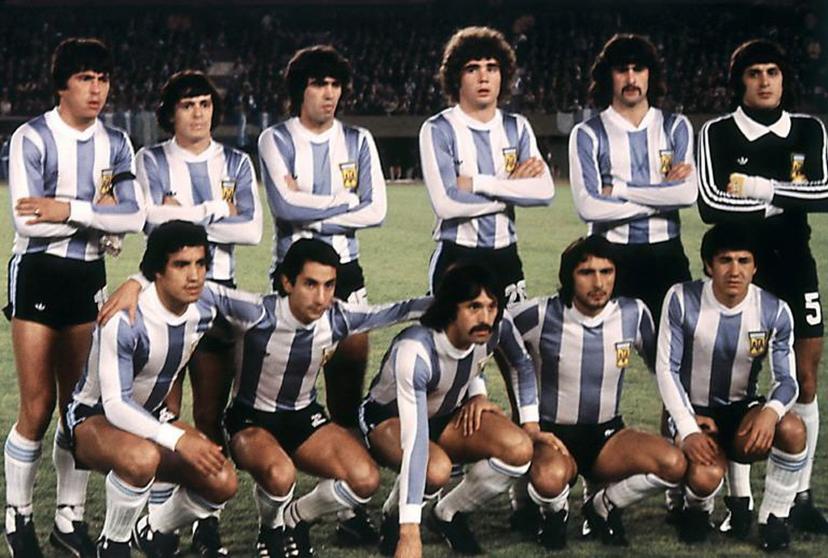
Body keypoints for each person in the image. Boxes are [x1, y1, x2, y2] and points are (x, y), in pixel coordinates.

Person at [4, 37, 144, 557]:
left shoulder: (117, 144)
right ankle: (17, 519)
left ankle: (68, 520)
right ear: (62, 84)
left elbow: (133, 217)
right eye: (86, 78)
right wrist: (97, 215)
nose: (97, 89)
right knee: (37, 407)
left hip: (89, 278)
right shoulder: (31, 137)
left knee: (77, 410)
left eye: (103, 79)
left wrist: (69, 211)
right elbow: (25, 221)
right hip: (38, 275)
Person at [64, 221, 265, 557]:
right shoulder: (125, 319)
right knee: (142, 458)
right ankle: (113, 543)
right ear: (157, 270)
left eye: (201, 264)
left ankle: (153, 527)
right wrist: (177, 438)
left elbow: (267, 309)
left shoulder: (206, 303)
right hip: (94, 417)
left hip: (152, 415)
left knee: (222, 481)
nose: (195, 276)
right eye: (181, 265)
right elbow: (114, 404)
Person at [223, 238, 430, 557]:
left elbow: (396, 311)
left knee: (365, 479)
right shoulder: (255, 312)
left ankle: (294, 517)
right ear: (287, 282)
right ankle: (271, 530)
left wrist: (452, 300)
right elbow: (203, 295)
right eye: (310, 284)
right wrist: (135, 287)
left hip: (303, 417)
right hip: (251, 420)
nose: (321, 297)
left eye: (329, 285)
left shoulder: (337, 317)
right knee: (280, 475)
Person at [697, 39, 828, 536]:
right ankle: (741, 499)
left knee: (805, 379)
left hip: (796, 268)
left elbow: (827, 192)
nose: (766, 80)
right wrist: (788, 200)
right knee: (736, 384)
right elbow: (710, 203)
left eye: (773, 71)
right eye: (755, 73)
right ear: (740, 82)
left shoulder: (809, 130)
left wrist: (762, 190)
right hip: (740, 269)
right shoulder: (719, 132)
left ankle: (800, 496)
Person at [135, 69, 262, 556]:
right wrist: (215, 213)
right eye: (188, 104)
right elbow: (148, 220)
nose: (198, 113)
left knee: (208, 413)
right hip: (163, 296)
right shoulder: (151, 159)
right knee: (163, 409)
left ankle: (207, 514)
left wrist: (184, 211)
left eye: (205, 104)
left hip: (219, 295)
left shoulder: (236, 162)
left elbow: (251, 230)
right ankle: (160, 517)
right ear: (170, 113)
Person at [508, 235, 685, 549]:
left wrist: (688, 424)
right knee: (550, 480)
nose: (599, 282)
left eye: (607, 272)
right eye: (586, 272)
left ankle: (602, 505)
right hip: (553, 436)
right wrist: (497, 400)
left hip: (608, 436)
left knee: (673, 463)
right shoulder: (537, 314)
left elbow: (665, 370)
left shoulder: (634, 313)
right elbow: (489, 338)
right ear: (568, 276)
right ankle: (555, 513)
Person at [360, 263, 545, 557]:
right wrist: (410, 534)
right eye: (474, 306)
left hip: (447, 413)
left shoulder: (496, 327)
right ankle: (394, 517)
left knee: (520, 449)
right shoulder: (416, 350)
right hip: (389, 419)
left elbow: (521, 364)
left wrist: (529, 425)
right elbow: (415, 439)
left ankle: (446, 513)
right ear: (450, 308)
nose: (485, 317)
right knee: (435, 470)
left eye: (491, 306)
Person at [258, 44, 386, 438]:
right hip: (294, 277)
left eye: (335, 85)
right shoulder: (275, 139)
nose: (329, 93)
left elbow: (377, 211)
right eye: (318, 84)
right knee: (286, 393)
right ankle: (279, 489)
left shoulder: (358, 139)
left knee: (346, 394)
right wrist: (346, 201)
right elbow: (284, 206)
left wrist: (307, 206)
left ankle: (344, 486)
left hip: (347, 273)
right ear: (300, 90)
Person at [656, 223, 807, 551]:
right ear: (709, 265)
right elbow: (666, 369)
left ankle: (773, 519)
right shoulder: (681, 299)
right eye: (725, 260)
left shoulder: (775, 310)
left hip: (741, 411)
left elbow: (788, 380)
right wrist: (687, 426)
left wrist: (770, 412)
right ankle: (695, 509)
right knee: (705, 477)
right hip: (693, 412)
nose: (734, 270)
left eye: (743, 260)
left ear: (755, 266)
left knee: (793, 428)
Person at [419, 25, 554, 305]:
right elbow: (446, 204)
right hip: (458, 255)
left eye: (492, 67)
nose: (484, 76)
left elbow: (544, 191)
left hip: (507, 255)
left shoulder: (517, 127)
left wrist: (478, 183)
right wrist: (511, 190)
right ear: (456, 76)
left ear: (503, 75)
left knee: (514, 340)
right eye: (472, 68)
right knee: (451, 346)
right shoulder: (438, 129)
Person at [568, 33, 696, 324]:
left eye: (638, 68)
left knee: (676, 356)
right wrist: (663, 196)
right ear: (608, 76)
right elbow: (588, 207)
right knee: (603, 356)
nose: (630, 77)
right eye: (621, 69)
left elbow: (688, 194)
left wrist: (620, 190)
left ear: (650, 74)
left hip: (666, 255)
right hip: (608, 256)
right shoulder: (588, 133)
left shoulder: (676, 126)